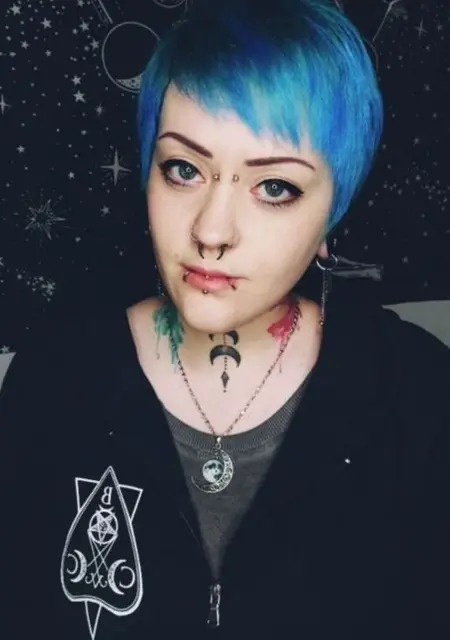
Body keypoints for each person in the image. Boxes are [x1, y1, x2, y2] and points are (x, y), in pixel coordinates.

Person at [1, 0, 449, 637]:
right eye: (183, 169)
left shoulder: (420, 396)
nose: (211, 231)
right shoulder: (54, 378)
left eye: (275, 188)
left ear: (332, 212)